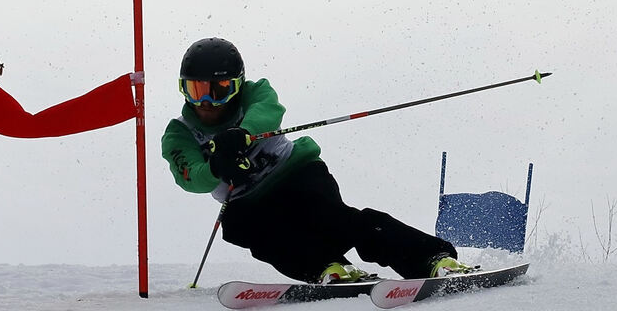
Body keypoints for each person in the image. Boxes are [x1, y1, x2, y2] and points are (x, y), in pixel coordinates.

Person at [161, 37, 474, 284]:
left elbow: (267, 112)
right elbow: (190, 175)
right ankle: (326, 268)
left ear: (238, 86)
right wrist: (216, 166)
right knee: (251, 231)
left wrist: (241, 134)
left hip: (296, 175)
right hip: (246, 202)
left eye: (219, 90)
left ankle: (432, 259)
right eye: (196, 89)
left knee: (337, 223)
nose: (206, 102)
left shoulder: (256, 94)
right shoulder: (180, 133)